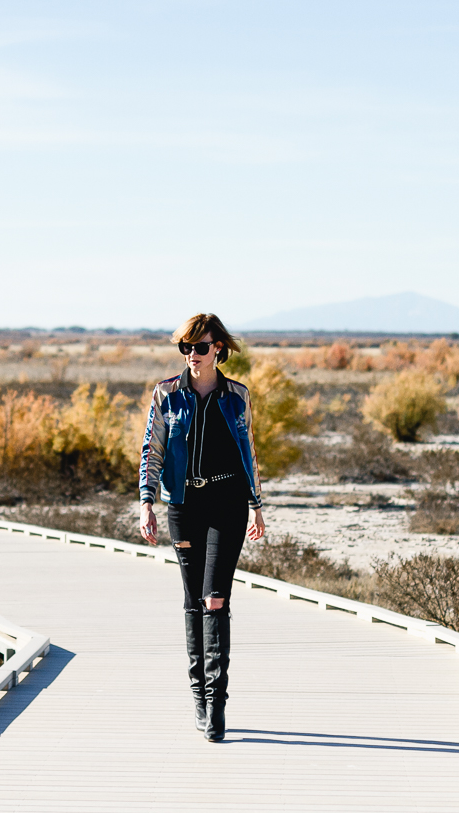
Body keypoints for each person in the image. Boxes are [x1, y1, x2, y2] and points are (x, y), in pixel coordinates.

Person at [139, 313, 265, 742]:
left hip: (227, 504)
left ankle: (217, 704)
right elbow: (151, 452)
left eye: (201, 347)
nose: (193, 355)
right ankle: (198, 695)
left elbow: (248, 451)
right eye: (186, 348)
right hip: (184, 507)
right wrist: (146, 504)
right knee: (194, 600)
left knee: (215, 598)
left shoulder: (236, 396)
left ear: (219, 350)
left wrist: (257, 505)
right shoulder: (167, 395)